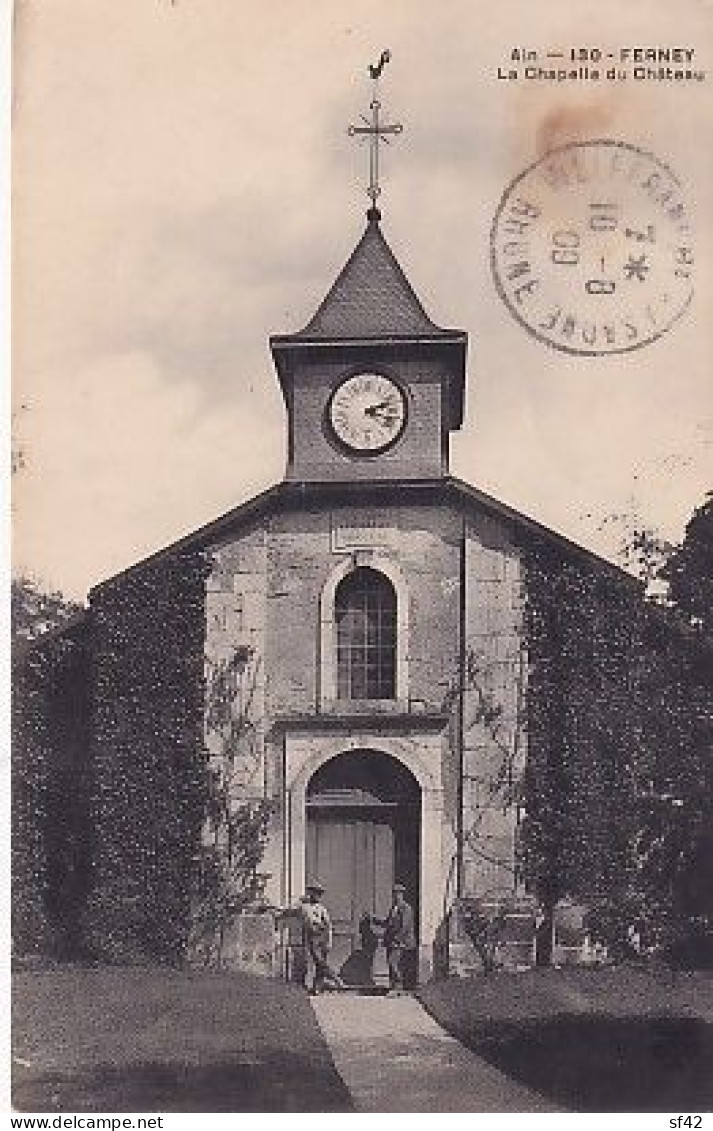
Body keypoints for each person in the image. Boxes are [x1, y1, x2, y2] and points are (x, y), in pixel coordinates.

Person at [296, 879, 345, 994]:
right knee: (319, 961)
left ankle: (319, 986)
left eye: (319, 893)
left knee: (320, 963)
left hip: (322, 936)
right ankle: (335, 980)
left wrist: (329, 942)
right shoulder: (303, 907)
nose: (317, 895)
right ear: (310, 893)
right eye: (314, 892)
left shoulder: (321, 909)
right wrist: (275, 911)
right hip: (311, 936)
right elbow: (289, 911)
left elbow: (328, 926)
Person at [375, 883, 416, 992]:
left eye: (398, 893)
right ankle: (393, 987)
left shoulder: (406, 908)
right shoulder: (394, 908)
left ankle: (398, 987)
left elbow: (405, 926)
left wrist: (397, 940)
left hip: (401, 942)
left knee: (393, 962)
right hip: (392, 941)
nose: (396, 896)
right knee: (391, 963)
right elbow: (388, 923)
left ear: (402, 895)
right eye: (394, 893)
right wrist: (375, 920)